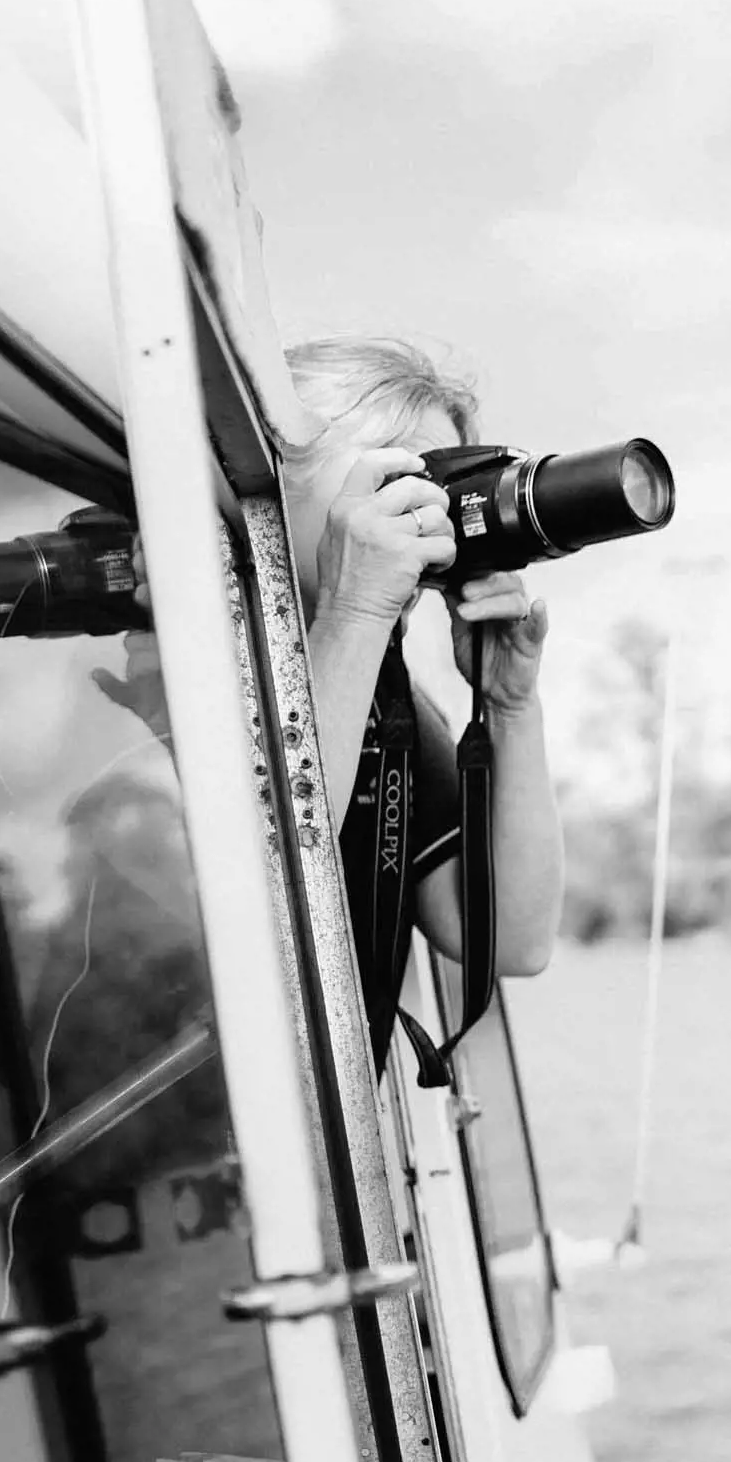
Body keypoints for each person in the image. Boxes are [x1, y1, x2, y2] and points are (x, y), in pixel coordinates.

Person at [282, 336, 563, 1070]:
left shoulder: (388, 708)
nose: (427, 526)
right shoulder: (163, 663)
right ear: (272, 486)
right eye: (403, 484)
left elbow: (512, 940)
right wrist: (353, 613)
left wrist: (510, 708)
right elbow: (252, 889)